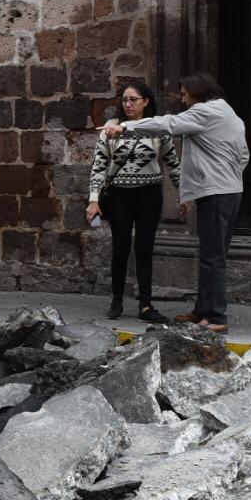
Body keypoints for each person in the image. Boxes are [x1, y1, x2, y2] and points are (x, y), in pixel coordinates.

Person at [100, 72, 248, 335]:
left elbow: (168, 124)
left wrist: (126, 127)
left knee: (213, 258)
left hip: (217, 193)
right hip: (222, 190)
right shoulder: (227, 113)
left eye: (183, 93)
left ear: (197, 91)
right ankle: (203, 311)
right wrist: (227, 176)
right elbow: (243, 155)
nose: (182, 98)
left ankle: (216, 316)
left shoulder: (206, 111)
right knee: (210, 255)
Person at [87, 81, 181, 323]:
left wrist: (185, 194)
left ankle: (146, 305)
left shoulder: (159, 129)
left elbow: (172, 163)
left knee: (144, 248)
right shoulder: (109, 129)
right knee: (120, 247)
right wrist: (94, 200)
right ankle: (116, 301)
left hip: (149, 195)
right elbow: (98, 166)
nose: (128, 104)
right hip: (119, 195)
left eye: (133, 100)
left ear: (146, 102)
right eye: (125, 100)